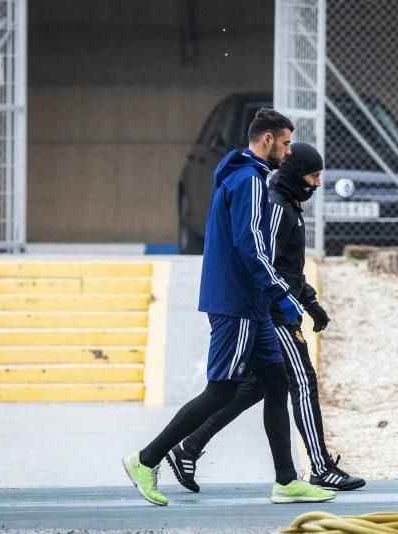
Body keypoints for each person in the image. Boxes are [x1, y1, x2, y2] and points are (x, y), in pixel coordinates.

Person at [122, 109, 335, 506]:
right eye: (286, 143)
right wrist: (283, 297)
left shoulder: (242, 175)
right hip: (237, 303)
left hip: (248, 303)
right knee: (221, 391)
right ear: (267, 140)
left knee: (275, 383)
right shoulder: (251, 181)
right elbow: (251, 245)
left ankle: (286, 481)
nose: (290, 152)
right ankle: (145, 459)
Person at [166, 143, 365, 493]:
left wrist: (311, 302)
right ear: (295, 173)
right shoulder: (276, 206)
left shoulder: (290, 203)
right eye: (313, 175)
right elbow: (264, 263)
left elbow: (289, 270)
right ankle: (319, 468)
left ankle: (189, 447)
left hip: (275, 307)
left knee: (254, 387)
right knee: (301, 380)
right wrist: (282, 307)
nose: (318, 183)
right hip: (270, 312)